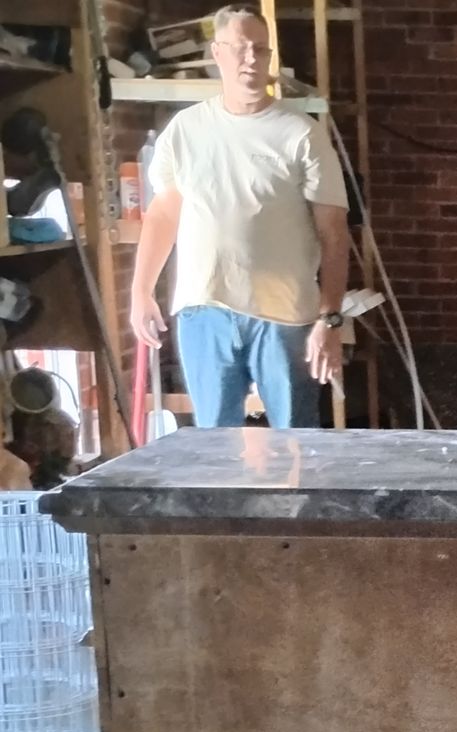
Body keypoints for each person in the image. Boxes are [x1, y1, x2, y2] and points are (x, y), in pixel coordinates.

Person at [129, 4, 349, 428]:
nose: (252, 60)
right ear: (218, 53)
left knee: (297, 443)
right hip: (204, 311)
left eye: (261, 51)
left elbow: (333, 233)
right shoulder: (186, 130)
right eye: (241, 48)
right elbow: (162, 215)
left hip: (286, 317)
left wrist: (330, 318)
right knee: (214, 449)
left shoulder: (302, 132)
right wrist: (141, 292)